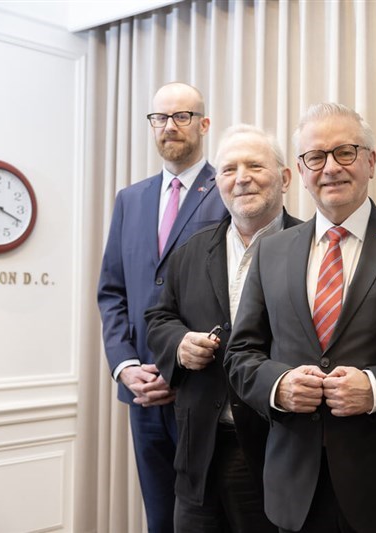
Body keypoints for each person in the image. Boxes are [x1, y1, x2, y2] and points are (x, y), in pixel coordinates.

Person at [224, 103, 376, 533]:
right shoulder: (272, 252)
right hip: (296, 488)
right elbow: (241, 354)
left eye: (345, 152)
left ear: (370, 161)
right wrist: (280, 386)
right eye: (315, 157)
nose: (330, 168)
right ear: (300, 172)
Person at [145, 124, 300, 532]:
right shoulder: (191, 251)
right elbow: (157, 319)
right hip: (199, 453)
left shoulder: (311, 246)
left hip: (277, 450)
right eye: (229, 169)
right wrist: (178, 344)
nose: (241, 177)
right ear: (217, 183)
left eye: (255, 166)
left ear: (285, 178)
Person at [97, 82, 228, 532]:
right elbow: (112, 292)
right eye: (160, 118)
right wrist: (125, 366)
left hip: (201, 392)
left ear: (204, 124)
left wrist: (180, 366)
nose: (169, 127)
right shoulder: (129, 200)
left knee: (207, 519)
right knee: (159, 519)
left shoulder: (227, 191)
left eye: (182, 116)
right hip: (141, 393)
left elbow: (236, 292)